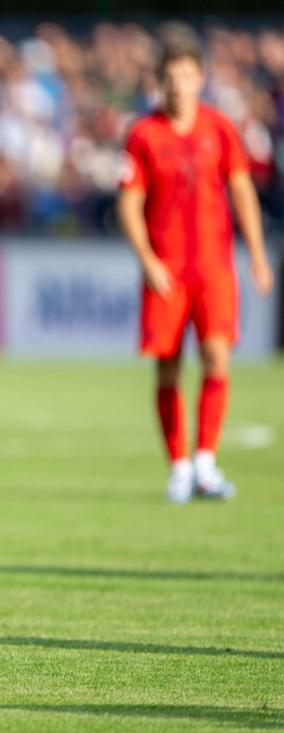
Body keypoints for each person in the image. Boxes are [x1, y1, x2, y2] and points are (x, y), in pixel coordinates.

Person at [117, 37, 275, 504]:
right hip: (167, 270)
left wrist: (259, 253)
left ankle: (206, 461)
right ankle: (179, 468)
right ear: (159, 83)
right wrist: (147, 260)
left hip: (213, 267)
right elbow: (129, 202)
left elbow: (242, 190)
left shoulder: (220, 128)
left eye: (186, 77)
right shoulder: (143, 133)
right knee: (167, 369)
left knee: (217, 357)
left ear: (199, 79)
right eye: (169, 78)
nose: (178, 86)